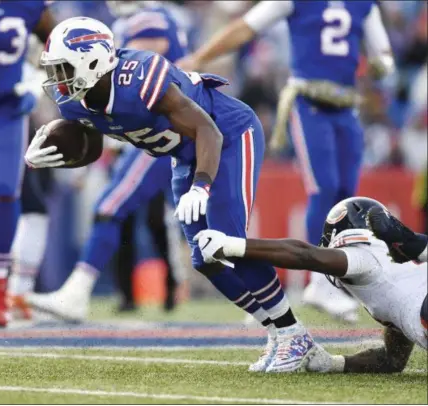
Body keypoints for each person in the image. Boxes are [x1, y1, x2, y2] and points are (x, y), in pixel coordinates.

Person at [23, 16, 315, 373]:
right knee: (204, 259)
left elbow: (209, 130)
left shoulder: (140, 77)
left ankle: (295, 334)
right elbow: (94, 143)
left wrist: (202, 184)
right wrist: (61, 157)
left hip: (228, 136)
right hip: (183, 154)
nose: (58, 80)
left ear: (93, 61)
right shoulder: (74, 102)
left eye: (64, 68)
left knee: (225, 243)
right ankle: (278, 333)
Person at [177, 0, 395, 323]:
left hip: (346, 106)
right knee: (325, 188)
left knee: (347, 194)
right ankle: (319, 281)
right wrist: (199, 58)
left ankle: (332, 281)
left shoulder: (363, 5)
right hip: (309, 102)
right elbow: (245, 27)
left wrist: (382, 65)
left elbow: (383, 54)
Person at [26, 0, 188, 319]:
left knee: (113, 207)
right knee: (187, 220)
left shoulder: (148, 20)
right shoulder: (135, 21)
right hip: (150, 129)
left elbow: (139, 71)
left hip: (160, 129)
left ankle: (77, 293)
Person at [195, 196, 427, 373]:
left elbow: (305, 255)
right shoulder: (397, 280)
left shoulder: (365, 256)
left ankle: (415, 242)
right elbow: (392, 360)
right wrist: (334, 363)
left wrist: (232, 246)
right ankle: (416, 243)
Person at [0, 0, 55, 327]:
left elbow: (59, 43)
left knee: (4, 190)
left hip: (4, 107)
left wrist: (34, 78)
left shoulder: (27, 4)